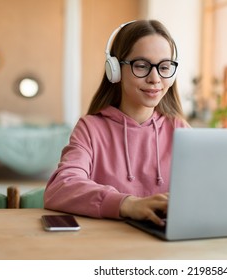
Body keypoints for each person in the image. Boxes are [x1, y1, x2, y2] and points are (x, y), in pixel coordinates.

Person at [44, 19, 189, 226]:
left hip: (166, 245)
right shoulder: (90, 129)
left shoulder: (180, 129)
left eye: (164, 67)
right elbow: (61, 188)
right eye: (141, 66)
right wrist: (128, 204)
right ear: (115, 70)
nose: (155, 78)